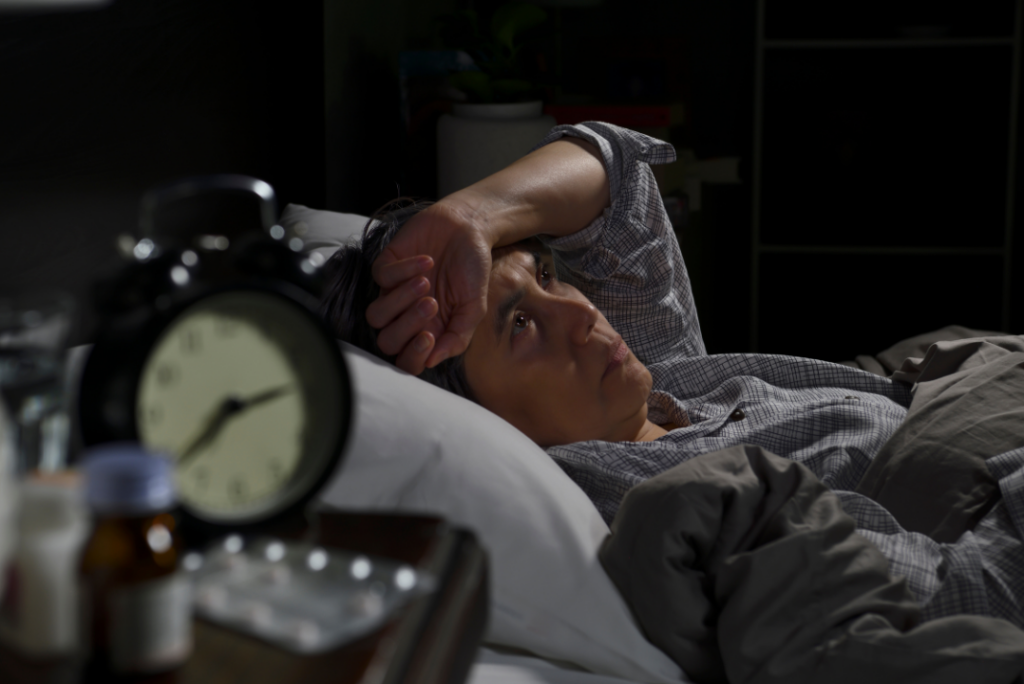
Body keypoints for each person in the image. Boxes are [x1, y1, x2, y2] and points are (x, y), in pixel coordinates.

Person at [321, 122, 1024, 630]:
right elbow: (974, 596)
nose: (580, 314)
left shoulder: (660, 383)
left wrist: (471, 216)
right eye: (519, 325)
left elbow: (615, 173)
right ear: (478, 418)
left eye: (545, 277)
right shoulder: (654, 497)